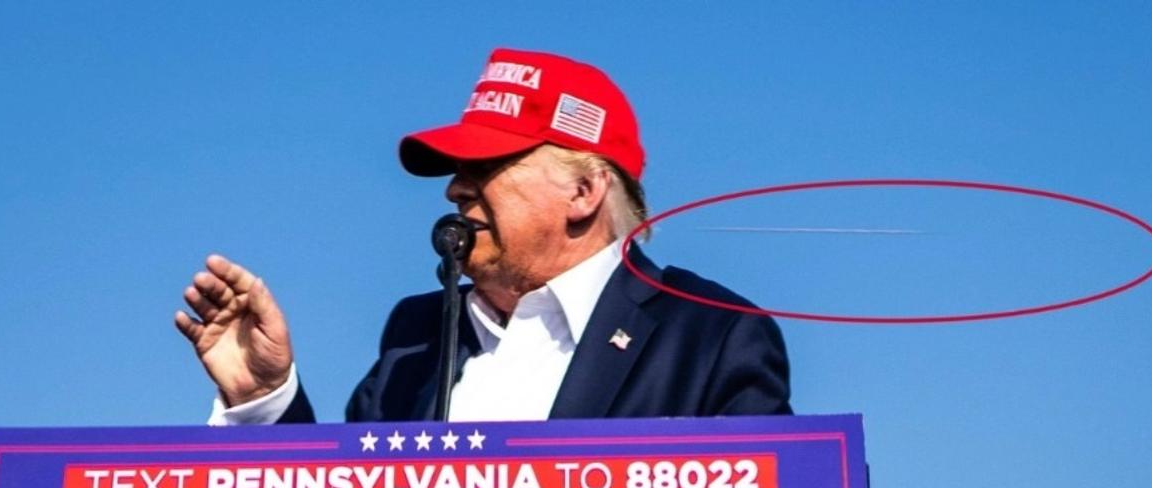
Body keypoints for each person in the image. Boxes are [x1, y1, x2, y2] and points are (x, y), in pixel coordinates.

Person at [175, 48, 791, 423]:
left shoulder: (712, 333)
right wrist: (263, 398)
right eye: (454, 172)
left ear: (583, 193)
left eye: (487, 168)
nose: (455, 191)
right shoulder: (414, 338)